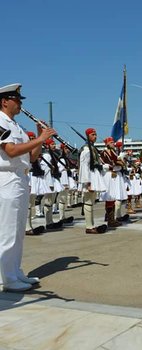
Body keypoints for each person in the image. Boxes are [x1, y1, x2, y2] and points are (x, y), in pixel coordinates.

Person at [0, 83, 56, 292]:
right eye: (17, 100)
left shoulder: (17, 127)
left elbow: (32, 157)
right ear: (5, 101)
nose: (20, 104)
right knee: (7, 231)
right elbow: (11, 151)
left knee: (18, 230)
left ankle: (14, 271)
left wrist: (39, 138)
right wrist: (40, 138)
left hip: (21, 179)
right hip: (6, 179)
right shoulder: (0, 122)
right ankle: (6, 278)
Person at [78, 128, 107, 234]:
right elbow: (84, 167)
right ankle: (89, 227)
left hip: (93, 176)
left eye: (95, 134)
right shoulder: (86, 150)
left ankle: (91, 225)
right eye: (93, 134)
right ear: (88, 136)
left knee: (91, 202)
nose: (95, 136)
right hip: (89, 178)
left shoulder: (92, 148)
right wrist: (88, 183)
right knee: (88, 202)